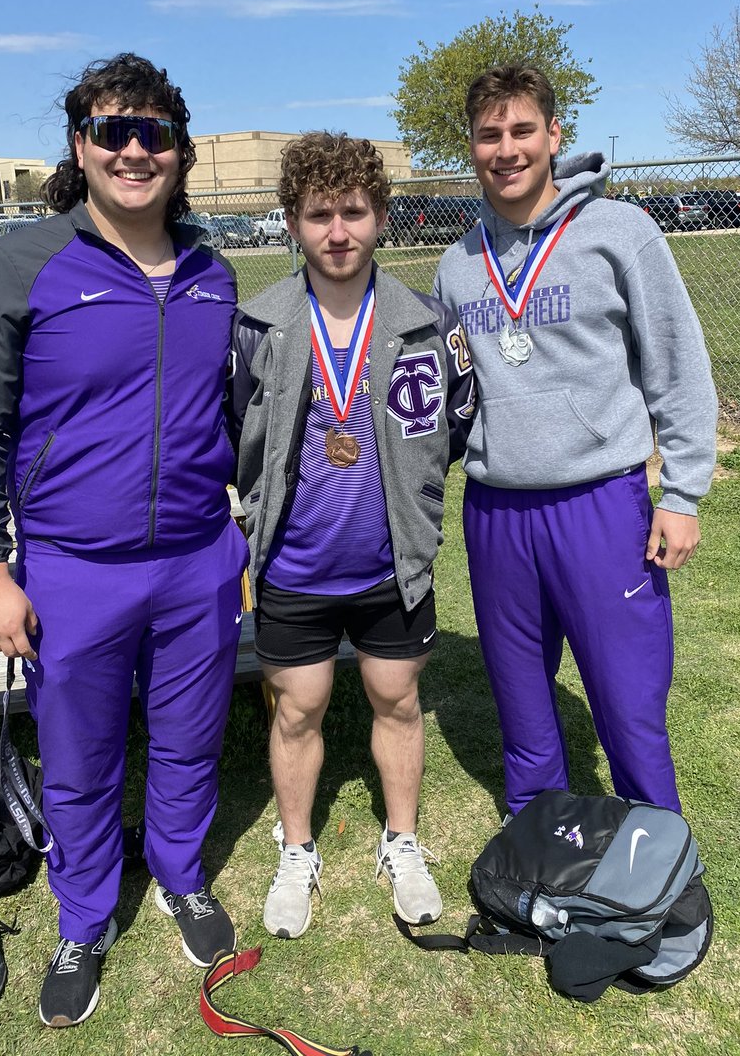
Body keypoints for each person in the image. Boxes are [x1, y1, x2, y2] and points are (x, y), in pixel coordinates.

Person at [0, 53, 248, 1027]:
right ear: (81, 146)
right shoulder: (17, 267)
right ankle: (83, 917)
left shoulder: (212, 274)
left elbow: (231, 413)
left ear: (180, 150)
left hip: (197, 560)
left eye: (154, 132)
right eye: (113, 130)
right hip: (74, 571)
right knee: (78, 760)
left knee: (192, 739)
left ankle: (181, 874)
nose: (133, 150)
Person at [433, 65, 717, 818]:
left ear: (555, 135)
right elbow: (451, 395)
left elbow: (678, 368)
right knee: (522, 702)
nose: (507, 149)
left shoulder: (620, 233)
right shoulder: (457, 264)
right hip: (496, 508)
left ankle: (656, 852)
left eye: (523, 130)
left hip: (600, 503)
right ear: (472, 147)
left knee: (627, 702)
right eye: (489, 135)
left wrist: (682, 494)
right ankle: (539, 841)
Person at [231, 131, 474, 939]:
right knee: (297, 709)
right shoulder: (257, 325)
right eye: (319, 214)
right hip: (295, 567)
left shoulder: (426, 322)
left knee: (397, 700)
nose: (338, 232)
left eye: (354, 212)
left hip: (388, 564)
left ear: (382, 217)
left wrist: (419, 504)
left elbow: (453, 426)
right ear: (292, 222)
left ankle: (401, 841)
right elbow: (237, 432)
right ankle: (296, 848)